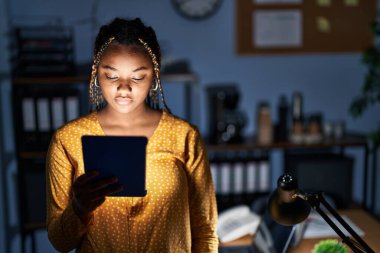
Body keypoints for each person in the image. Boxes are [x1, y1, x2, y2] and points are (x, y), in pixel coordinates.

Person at [46, 17, 218, 252]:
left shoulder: (185, 137)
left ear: (155, 74)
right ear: (96, 73)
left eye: (137, 77)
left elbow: (206, 232)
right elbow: (59, 242)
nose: (124, 88)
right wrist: (79, 208)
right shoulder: (68, 140)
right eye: (111, 75)